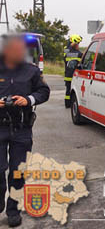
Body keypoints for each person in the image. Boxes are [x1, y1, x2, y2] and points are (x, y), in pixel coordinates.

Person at [0, 34, 50, 227]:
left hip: (22, 128)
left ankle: (13, 209)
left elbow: (43, 92)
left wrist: (28, 99)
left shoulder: (32, 71)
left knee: (18, 171)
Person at [63, 34, 82, 108]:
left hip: (69, 74)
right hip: (72, 75)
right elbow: (69, 56)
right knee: (70, 91)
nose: (78, 46)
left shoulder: (67, 49)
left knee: (69, 90)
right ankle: (69, 104)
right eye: (78, 44)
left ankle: (68, 104)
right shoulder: (76, 53)